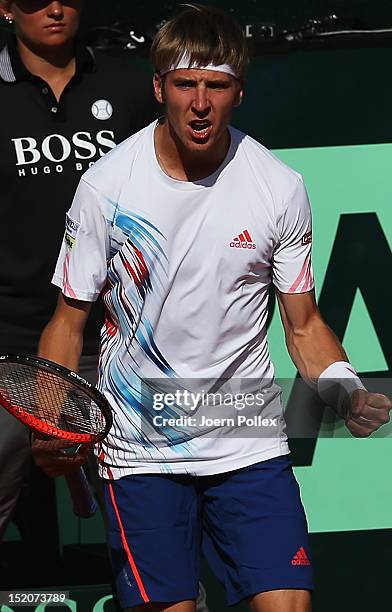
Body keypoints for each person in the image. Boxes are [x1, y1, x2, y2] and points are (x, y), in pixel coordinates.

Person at [34, 4, 392, 611]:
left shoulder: (278, 187)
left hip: (248, 445)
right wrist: (50, 419)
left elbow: (304, 327)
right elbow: (69, 322)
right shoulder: (107, 186)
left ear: (239, 91)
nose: (200, 102)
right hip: (141, 451)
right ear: (159, 87)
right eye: (185, 84)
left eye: (217, 85)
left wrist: (345, 389)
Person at [0, 0, 158, 576]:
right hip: (11, 349)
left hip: (127, 346)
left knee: (156, 527)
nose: (55, 9)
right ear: (5, 9)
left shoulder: (132, 86)